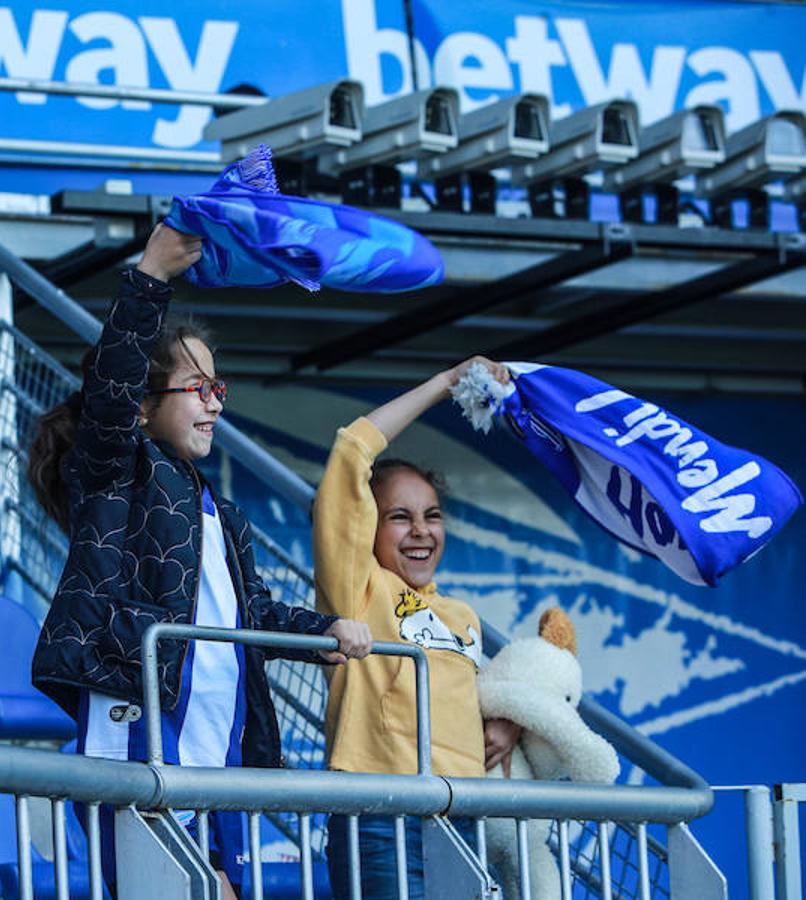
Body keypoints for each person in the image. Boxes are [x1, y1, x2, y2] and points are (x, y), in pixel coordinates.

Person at [29, 223, 374, 897]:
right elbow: (111, 387)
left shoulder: (221, 512)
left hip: (211, 752)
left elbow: (254, 613)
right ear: (141, 406)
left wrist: (320, 632)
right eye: (197, 387)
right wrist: (152, 271)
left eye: (220, 388)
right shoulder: (114, 476)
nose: (215, 403)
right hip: (140, 741)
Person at [313, 357, 520, 900]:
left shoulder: (463, 616)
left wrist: (507, 724)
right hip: (380, 811)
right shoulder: (360, 588)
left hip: (462, 813)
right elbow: (351, 451)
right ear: (366, 528)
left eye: (432, 515)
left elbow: (476, 701)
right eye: (399, 516)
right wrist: (445, 384)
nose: (420, 531)